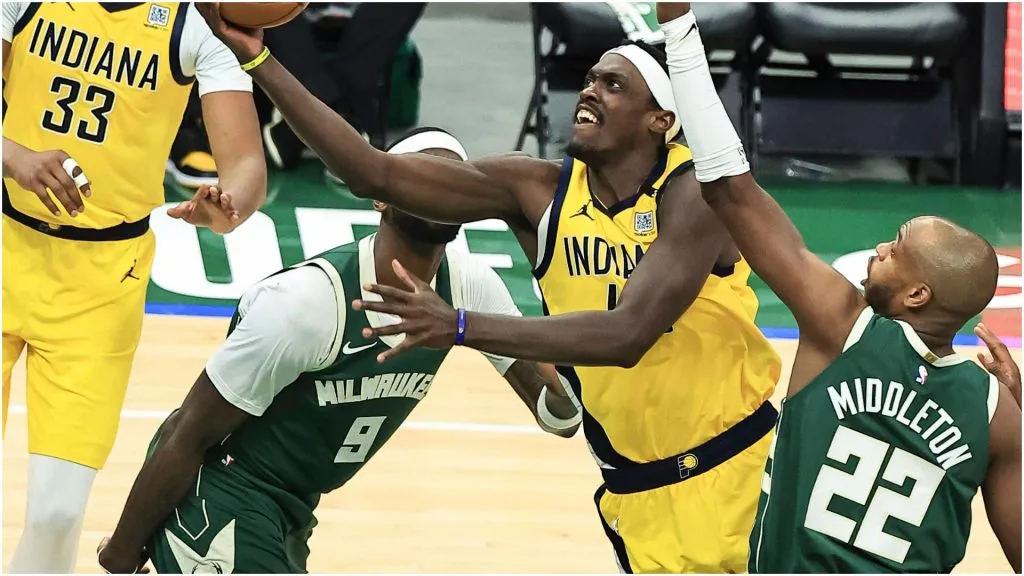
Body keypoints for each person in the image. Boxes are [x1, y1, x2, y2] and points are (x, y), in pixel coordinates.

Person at [195, 3, 782, 572]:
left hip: (737, 472)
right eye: (589, 79)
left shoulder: (698, 195)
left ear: (661, 120)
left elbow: (628, 333)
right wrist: (260, 61)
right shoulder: (537, 190)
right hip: (634, 488)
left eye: (614, 85)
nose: (589, 91)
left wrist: (459, 326)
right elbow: (376, 174)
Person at [95, 129, 581, 574]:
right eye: (422, 177)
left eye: (451, 181)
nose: (438, 191)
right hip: (219, 495)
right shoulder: (308, 303)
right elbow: (186, 432)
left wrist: (477, 330)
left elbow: (559, 416)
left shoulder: (470, 287)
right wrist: (121, 554)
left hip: (293, 508)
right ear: (380, 198)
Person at [655, 2, 1022, 573]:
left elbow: (728, 189)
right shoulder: (996, 412)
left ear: (917, 296)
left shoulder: (841, 324)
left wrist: (679, 33)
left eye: (895, 249)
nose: (878, 249)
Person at [1, 2, 267, 572]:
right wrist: (14, 156)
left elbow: (246, 167)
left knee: (56, 515)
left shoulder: (193, 23)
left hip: (100, 285)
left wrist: (224, 209)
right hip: (4, 239)